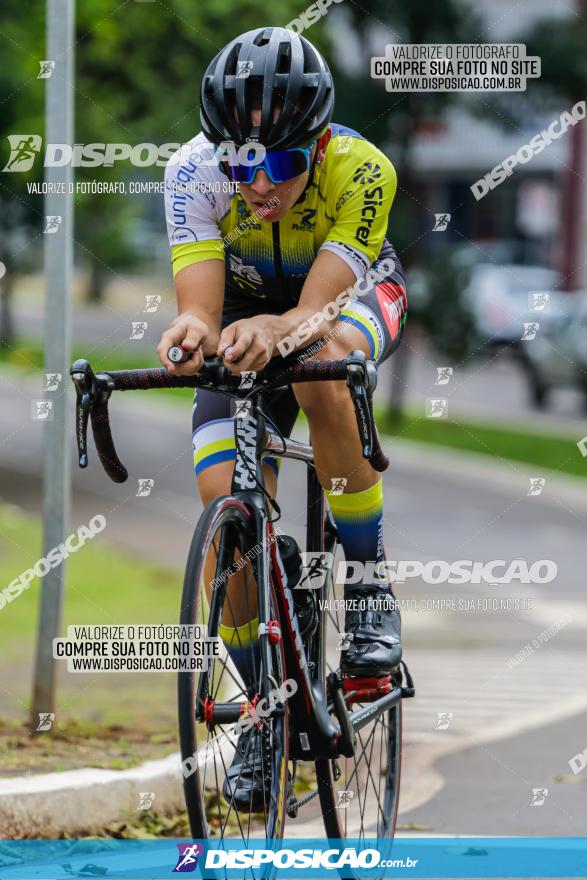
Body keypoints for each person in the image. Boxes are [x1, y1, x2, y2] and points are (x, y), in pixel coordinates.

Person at [157, 26, 408, 811]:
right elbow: (202, 303)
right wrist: (193, 330)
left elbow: (310, 311)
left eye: (280, 164)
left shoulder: (363, 171)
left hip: (343, 301)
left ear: (318, 144)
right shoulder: (190, 172)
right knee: (218, 499)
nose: (257, 184)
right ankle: (261, 707)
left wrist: (273, 331)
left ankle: (367, 587)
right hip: (244, 310)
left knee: (317, 363)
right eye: (240, 162)